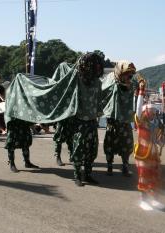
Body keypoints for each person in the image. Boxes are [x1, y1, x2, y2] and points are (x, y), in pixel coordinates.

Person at [53, 52, 104, 186]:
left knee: (91, 149)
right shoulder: (77, 79)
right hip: (79, 120)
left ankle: (87, 174)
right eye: (94, 65)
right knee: (79, 148)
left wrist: (98, 116)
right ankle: (77, 175)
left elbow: (98, 100)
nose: (97, 68)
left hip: (92, 121)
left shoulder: (97, 82)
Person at [134, 80, 165, 211]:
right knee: (144, 176)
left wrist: (162, 139)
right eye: (151, 111)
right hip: (142, 154)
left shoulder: (154, 125)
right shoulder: (141, 123)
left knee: (155, 176)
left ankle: (154, 200)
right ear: (145, 112)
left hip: (153, 155)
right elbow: (137, 108)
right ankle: (143, 200)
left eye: (154, 111)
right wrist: (141, 92)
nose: (153, 113)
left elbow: (159, 141)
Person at [101, 61, 137, 176]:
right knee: (110, 144)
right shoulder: (111, 81)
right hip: (112, 121)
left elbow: (134, 92)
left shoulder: (130, 85)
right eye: (127, 75)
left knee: (126, 145)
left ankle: (125, 166)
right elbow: (103, 93)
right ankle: (109, 166)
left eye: (130, 75)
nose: (128, 77)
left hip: (125, 121)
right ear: (120, 73)